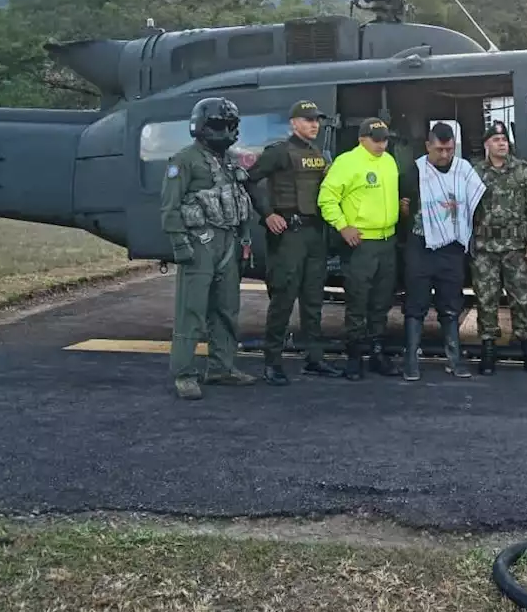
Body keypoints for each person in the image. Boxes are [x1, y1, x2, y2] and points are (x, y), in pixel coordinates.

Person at [159, 97, 258, 399]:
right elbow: (170, 207)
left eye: (230, 126)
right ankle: (184, 374)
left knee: (227, 309)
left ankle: (222, 367)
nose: (227, 131)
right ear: (202, 127)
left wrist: (245, 238)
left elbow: (240, 202)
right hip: (200, 243)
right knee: (192, 311)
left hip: (228, 241)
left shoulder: (230, 161)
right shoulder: (184, 161)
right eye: (220, 125)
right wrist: (179, 244)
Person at [245, 100, 344, 385]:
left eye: (317, 120)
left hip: (314, 235)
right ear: (294, 123)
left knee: (313, 300)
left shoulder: (318, 155)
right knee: (283, 300)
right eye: (309, 119)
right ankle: (272, 363)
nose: (315, 124)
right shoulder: (279, 152)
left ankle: (314, 358)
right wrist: (267, 215)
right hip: (289, 235)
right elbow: (250, 180)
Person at [395, 123, 487, 380]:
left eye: (449, 149)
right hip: (420, 247)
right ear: (428, 146)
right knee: (415, 305)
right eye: (439, 150)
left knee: (450, 305)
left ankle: (454, 359)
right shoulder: (414, 171)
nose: (445, 155)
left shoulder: (464, 169)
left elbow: (478, 201)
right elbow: (400, 207)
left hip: (451, 249)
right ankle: (411, 360)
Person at [318, 117, 402, 380]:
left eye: (384, 139)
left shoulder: (389, 161)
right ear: (361, 138)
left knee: (381, 302)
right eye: (375, 139)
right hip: (361, 244)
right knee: (357, 302)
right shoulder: (347, 162)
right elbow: (327, 198)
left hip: (387, 242)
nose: (381, 145)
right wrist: (343, 226)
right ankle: (354, 357)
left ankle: (376, 353)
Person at [469, 121, 527, 377]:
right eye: (495, 139)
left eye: (504, 139)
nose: (501, 143)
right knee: (486, 300)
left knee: (521, 300)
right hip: (485, 248)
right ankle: (488, 348)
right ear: (486, 145)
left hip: (516, 248)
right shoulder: (475, 172)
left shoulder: (522, 171)